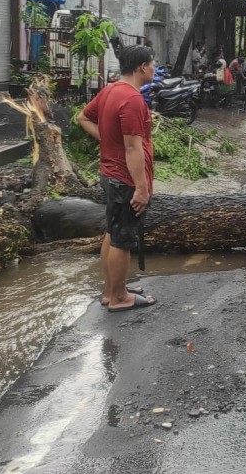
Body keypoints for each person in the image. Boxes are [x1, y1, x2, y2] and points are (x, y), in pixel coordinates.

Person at [78, 44, 157, 313]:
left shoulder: (111, 90)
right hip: (124, 179)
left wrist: (107, 140)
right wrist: (142, 188)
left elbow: (83, 118)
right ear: (141, 68)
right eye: (152, 64)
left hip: (109, 174)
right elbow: (133, 148)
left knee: (112, 233)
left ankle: (110, 290)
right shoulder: (133, 100)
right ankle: (119, 297)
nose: (154, 68)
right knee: (122, 239)